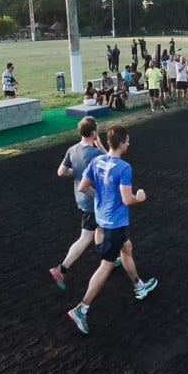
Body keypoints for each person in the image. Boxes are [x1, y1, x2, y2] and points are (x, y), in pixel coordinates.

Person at [67, 125, 158, 334]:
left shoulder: (97, 161)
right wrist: (140, 198)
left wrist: (99, 197)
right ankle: (82, 308)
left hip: (102, 218)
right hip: (114, 223)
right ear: (122, 143)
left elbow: (83, 187)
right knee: (106, 266)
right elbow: (127, 199)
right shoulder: (124, 168)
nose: (129, 144)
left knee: (127, 247)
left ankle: (139, 286)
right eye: (128, 141)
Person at [49, 118, 120, 290]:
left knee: (99, 229)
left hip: (81, 199)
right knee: (86, 237)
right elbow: (112, 162)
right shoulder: (95, 153)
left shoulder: (72, 149)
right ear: (94, 132)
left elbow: (61, 172)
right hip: (93, 201)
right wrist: (100, 145)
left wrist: (78, 173)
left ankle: (107, 257)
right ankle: (61, 269)